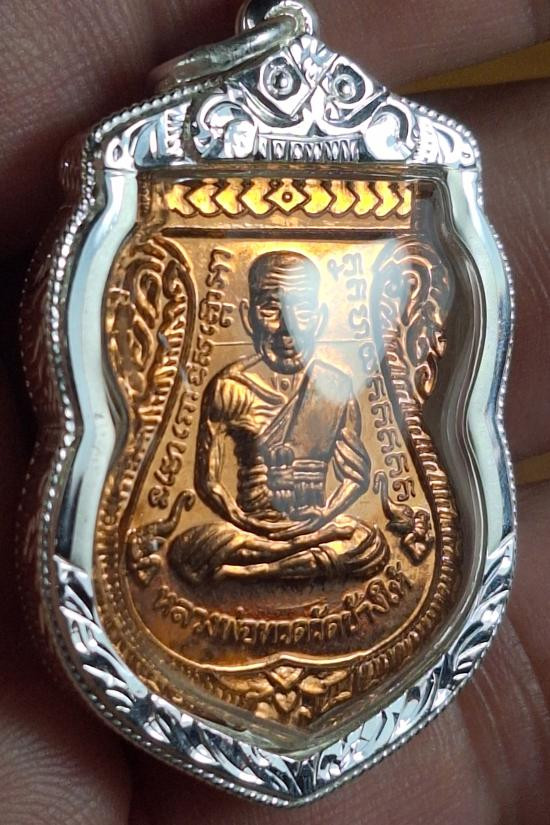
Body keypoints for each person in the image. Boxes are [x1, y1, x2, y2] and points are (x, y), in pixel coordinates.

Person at [169, 251, 388, 583]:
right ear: (248, 317)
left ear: (320, 318)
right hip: (250, 529)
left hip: (315, 525)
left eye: (302, 309)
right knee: (188, 549)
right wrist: (245, 521)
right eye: (271, 308)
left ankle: (254, 572)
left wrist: (323, 516)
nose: (288, 328)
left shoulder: (335, 385)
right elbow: (208, 481)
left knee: (368, 543)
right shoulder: (231, 387)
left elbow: (356, 477)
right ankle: (289, 559)